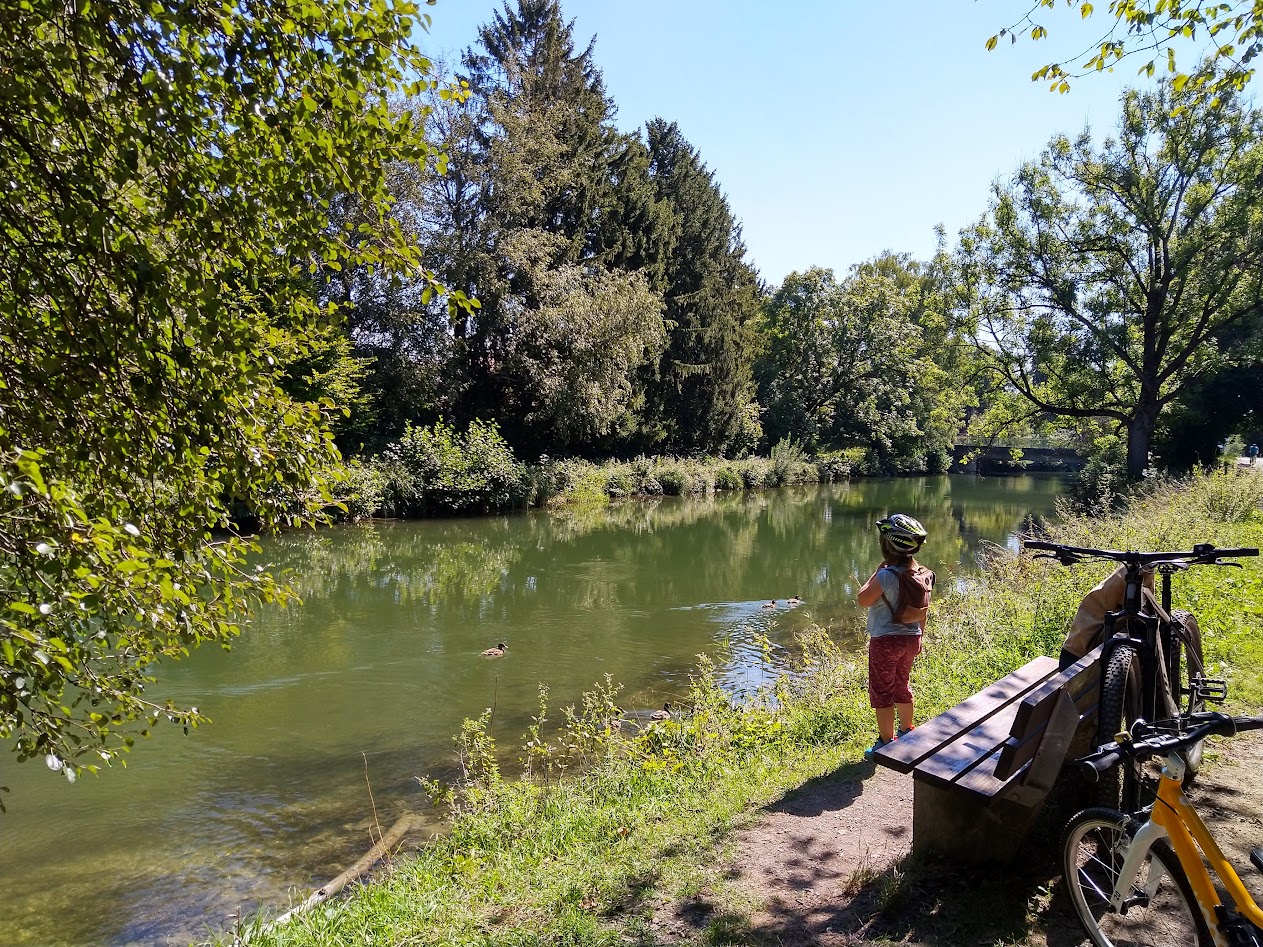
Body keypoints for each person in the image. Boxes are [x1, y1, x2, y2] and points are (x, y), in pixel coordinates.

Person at [857, 513, 933, 761]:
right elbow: (923, 610)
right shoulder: (925, 575)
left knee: (882, 690)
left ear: (887, 545)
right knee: (902, 683)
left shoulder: (886, 575)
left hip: (885, 641)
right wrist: (921, 634)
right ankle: (907, 729)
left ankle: (886, 743)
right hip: (912, 639)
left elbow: (863, 599)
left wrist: (876, 572)